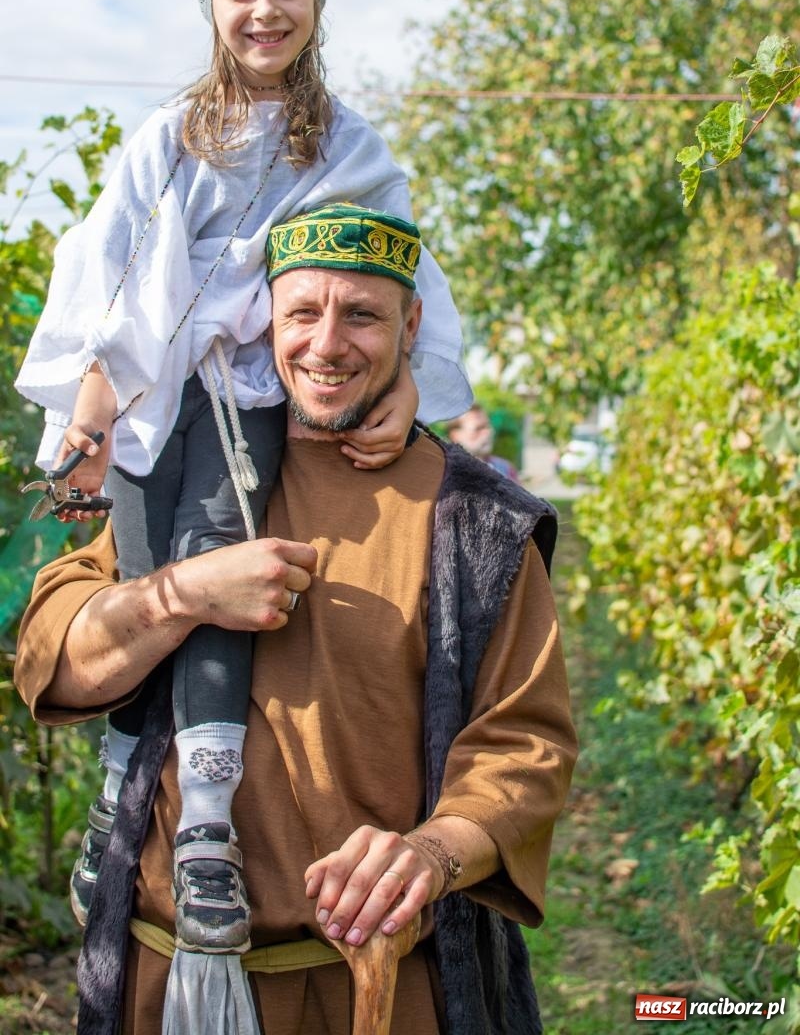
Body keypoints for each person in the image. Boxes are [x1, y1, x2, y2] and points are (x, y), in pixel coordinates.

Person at [14, 0, 471, 954]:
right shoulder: (168, 136)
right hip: (142, 395)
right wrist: (92, 390)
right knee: (141, 586)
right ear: (208, 1)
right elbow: (109, 257)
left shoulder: (347, 147)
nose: (265, 10)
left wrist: (409, 381)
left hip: (249, 394)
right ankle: (117, 805)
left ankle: (206, 827)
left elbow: (405, 274)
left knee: (223, 570)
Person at [15, 209, 577, 1035]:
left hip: (376, 991)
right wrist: (179, 596)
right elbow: (50, 658)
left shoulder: (477, 524)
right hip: (161, 983)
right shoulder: (191, 475)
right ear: (261, 321)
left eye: (362, 314)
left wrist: (430, 851)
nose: (326, 344)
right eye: (301, 313)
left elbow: (525, 750)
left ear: (411, 324)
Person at [447, 404, 521, 482]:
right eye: (479, 428)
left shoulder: (505, 469)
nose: (488, 432)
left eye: (488, 426)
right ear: (455, 435)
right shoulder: (443, 471)